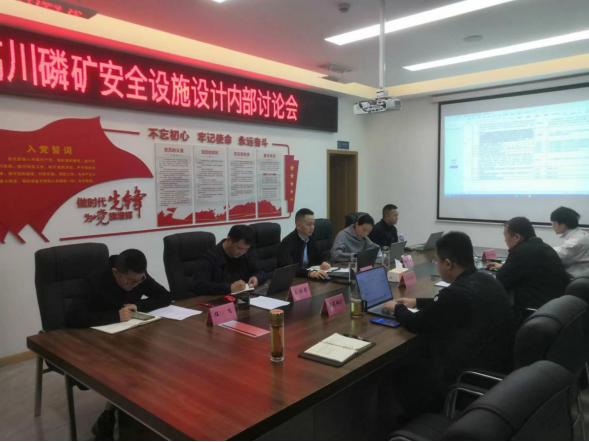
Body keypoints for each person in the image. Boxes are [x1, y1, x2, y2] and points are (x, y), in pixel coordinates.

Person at [381, 232, 515, 415]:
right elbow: (447, 304)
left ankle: (422, 422)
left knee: (404, 374)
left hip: (469, 377)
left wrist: (397, 308)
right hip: (498, 368)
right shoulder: (484, 278)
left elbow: (415, 322)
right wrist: (416, 302)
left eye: (436, 261)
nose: (436, 265)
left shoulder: (456, 294)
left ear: (448, 264)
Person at [65, 249, 172, 440]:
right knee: (129, 368)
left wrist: (138, 306)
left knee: (148, 362)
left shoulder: (138, 277)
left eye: (139, 281)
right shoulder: (94, 280)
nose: (135, 285)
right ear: (116, 272)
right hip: (94, 342)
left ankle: (125, 415)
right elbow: (73, 317)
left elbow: (165, 296)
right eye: (130, 281)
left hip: (126, 339)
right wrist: (115, 316)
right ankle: (113, 417)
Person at [487, 217, 571, 319]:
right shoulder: (542, 246)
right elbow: (526, 268)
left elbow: (502, 281)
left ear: (517, 237)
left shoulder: (521, 251)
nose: (504, 240)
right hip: (556, 305)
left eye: (505, 236)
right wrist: (503, 267)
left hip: (535, 310)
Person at [193, 225, 266, 296]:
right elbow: (199, 286)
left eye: (246, 249)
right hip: (217, 300)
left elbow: (260, 271)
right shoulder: (210, 257)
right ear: (229, 240)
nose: (242, 252)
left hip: (243, 297)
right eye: (239, 248)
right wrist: (229, 288)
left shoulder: (245, 253)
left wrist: (256, 277)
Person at [277, 208, 331, 279]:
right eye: (309, 224)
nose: (312, 228)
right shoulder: (287, 243)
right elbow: (289, 268)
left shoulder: (311, 238)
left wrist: (326, 262)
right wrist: (309, 273)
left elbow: (321, 255)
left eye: (313, 224)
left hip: (308, 278)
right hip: (295, 280)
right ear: (298, 225)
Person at [550, 206, 589, 278]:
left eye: (554, 223)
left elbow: (557, 256)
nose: (552, 226)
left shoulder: (576, 241)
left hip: (575, 278)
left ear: (563, 225)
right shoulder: (581, 234)